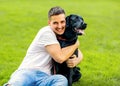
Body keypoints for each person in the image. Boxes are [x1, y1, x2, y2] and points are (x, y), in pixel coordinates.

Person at [4, 6, 83, 86]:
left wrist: (77, 59)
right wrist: (76, 43)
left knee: (61, 80)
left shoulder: (61, 35)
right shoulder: (47, 32)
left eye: (62, 22)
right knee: (16, 83)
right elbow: (60, 58)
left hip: (45, 77)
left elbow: (76, 51)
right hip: (27, 72)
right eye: (55, 23)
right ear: (49, 23)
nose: (59, 26)